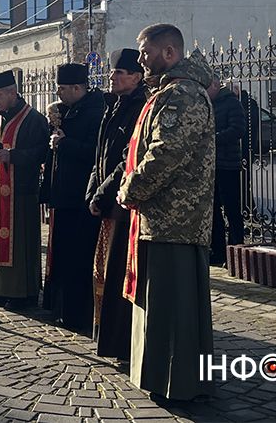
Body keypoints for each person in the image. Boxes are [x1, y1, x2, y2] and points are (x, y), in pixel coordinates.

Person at [116, 24, 214, 402]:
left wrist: (129, 189)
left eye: (145, 52)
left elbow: (165, 155)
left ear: (169, 53)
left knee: (173, 309)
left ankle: (178, 382)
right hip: (161, 219)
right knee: (159, 305)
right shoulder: (168, 92)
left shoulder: (182, 95)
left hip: (176, 222)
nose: (140, 59)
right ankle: (160, 376)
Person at [88, 49, 148, 362]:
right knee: (104, 272)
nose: (112, 77)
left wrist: (104, 191)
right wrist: (92, 187)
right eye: (112, 73)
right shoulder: (114, 105)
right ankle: (106, 336)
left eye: (119, 73)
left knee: (119, 275)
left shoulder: (139, 106)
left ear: (136, 77)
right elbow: (101, 152)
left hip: (123, 204)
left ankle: (120, 342)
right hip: (107, 198)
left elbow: (127, 159)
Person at [38, 63, 105, 332]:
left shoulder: (95, 112)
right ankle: (60, 309)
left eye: (63, 89)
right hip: (61, 196)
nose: (59, 93)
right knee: (62, 257)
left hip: (80, 197)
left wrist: (64, 143)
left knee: (78, 258)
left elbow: (95, 153)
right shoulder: (63, 112)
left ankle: (78, 313)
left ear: (79, 88)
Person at [0, 69, 50, 311]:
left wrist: (13, 156)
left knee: (21, 245)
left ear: (12, 92)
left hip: (21, 193)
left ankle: (24, 292)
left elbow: (43, 153)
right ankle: (0, 287)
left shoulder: (34, 119)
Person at [207, 76, 246, 266]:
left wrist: (212, 138)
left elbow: (238, 129)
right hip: (210, 164)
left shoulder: (231, 102)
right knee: (213, 210)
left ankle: (236, 251)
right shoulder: (206, 103)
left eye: (206, 87)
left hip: (228, 164)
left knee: (231, 209)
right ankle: (218, 251)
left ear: (215, 85)